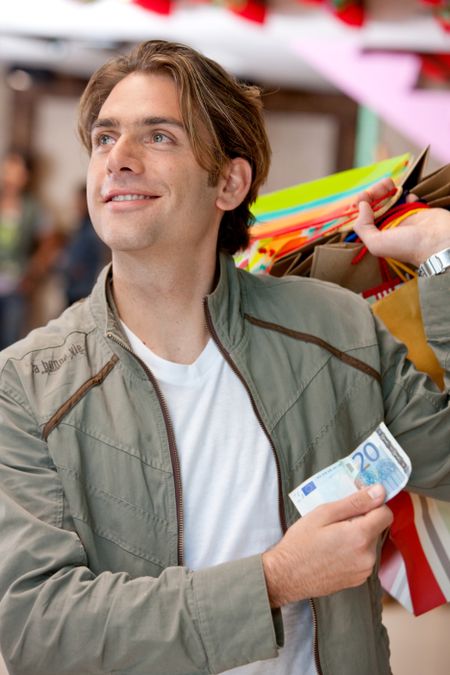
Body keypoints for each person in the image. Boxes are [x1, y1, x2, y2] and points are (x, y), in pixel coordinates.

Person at [0, 39, 449, 675]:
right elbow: (37, 629)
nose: (117, 161)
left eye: (158, 137)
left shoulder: (336, 326)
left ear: (230, 182)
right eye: (105, 138)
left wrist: (442, 254)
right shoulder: (25, 385)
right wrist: (275, 580)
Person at [0, 149, 53, 349]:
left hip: (16, 284)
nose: (12, 175)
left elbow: (49, 242)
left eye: (18, 170)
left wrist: (34, 271)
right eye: (9, 168)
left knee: (10, 342)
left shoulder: (33, 207)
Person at [58, 183, 109, 306]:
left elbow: (96, 259)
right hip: (73, 288)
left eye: (79, 201)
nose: (75, 205)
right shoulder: (79, 228)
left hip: (83, 290)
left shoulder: (93, 231)